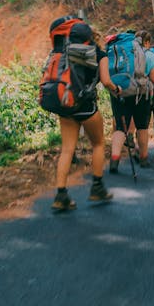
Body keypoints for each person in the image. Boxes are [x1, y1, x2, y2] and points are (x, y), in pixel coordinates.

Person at [40, 16, 115, 212]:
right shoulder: (98, 53)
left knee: (67, 149)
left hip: (66, 103)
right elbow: (106, 81)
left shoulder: (60, 52)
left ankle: (61, 195)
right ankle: (97, 187)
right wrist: (117, 89)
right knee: (98, 143)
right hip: (86, 105)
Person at [108, 29, 154, 173]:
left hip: (118, 92)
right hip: (140, 94)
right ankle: (143, 159)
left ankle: (114, 160)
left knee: (120, 128)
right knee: (142, 127)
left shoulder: (116, 50)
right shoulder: (147, 53)